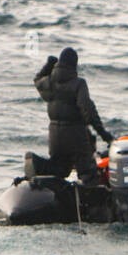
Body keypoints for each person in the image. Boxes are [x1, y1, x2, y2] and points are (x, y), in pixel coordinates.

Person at [26, 47, 114, 184]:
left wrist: (48, 65)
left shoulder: (49, 82)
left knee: (59, 169)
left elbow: (37, 80)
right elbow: (88, 111)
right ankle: (92, 203)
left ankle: (36, 163)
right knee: (88, 173)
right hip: (75, 135)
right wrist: (104, 135)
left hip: (55, 136)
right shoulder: (78, 84)